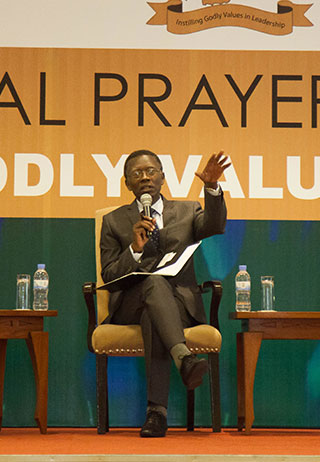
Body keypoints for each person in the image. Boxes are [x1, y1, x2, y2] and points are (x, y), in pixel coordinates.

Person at [99, 149, 230, 437]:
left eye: (150, 171)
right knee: (153, 283)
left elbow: (215, 225)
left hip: (179, 305)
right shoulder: (113, 221)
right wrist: (134, 249)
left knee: (153, 316)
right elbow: (108, 276)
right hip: (129, 304)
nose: (144, 177)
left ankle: (156, 414)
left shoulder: (188, 210)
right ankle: (183, 358)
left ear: (162, 177)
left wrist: (211, 187)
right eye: (136, 174)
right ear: (127, 183)